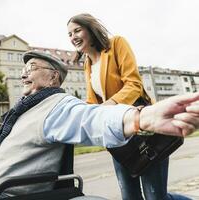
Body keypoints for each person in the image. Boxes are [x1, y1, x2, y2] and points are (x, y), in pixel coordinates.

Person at [0, 51, 199, 200]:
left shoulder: (57, 104)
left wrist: (141, 117)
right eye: (24, 69)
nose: (24, 74)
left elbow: (90, 119)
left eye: (31, 68)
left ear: (53, 77)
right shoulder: (23, 110)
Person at [67, 13, 190, 200]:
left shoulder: (116, 44)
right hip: (118, 138)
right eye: (69, 34)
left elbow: (133, 84)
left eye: (77, 30)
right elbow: (93, 102)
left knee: (155, 197)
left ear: (90, 29)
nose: (73, 37)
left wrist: (107, 107)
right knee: (129, 197)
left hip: (143, 131)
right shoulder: (87, 64)